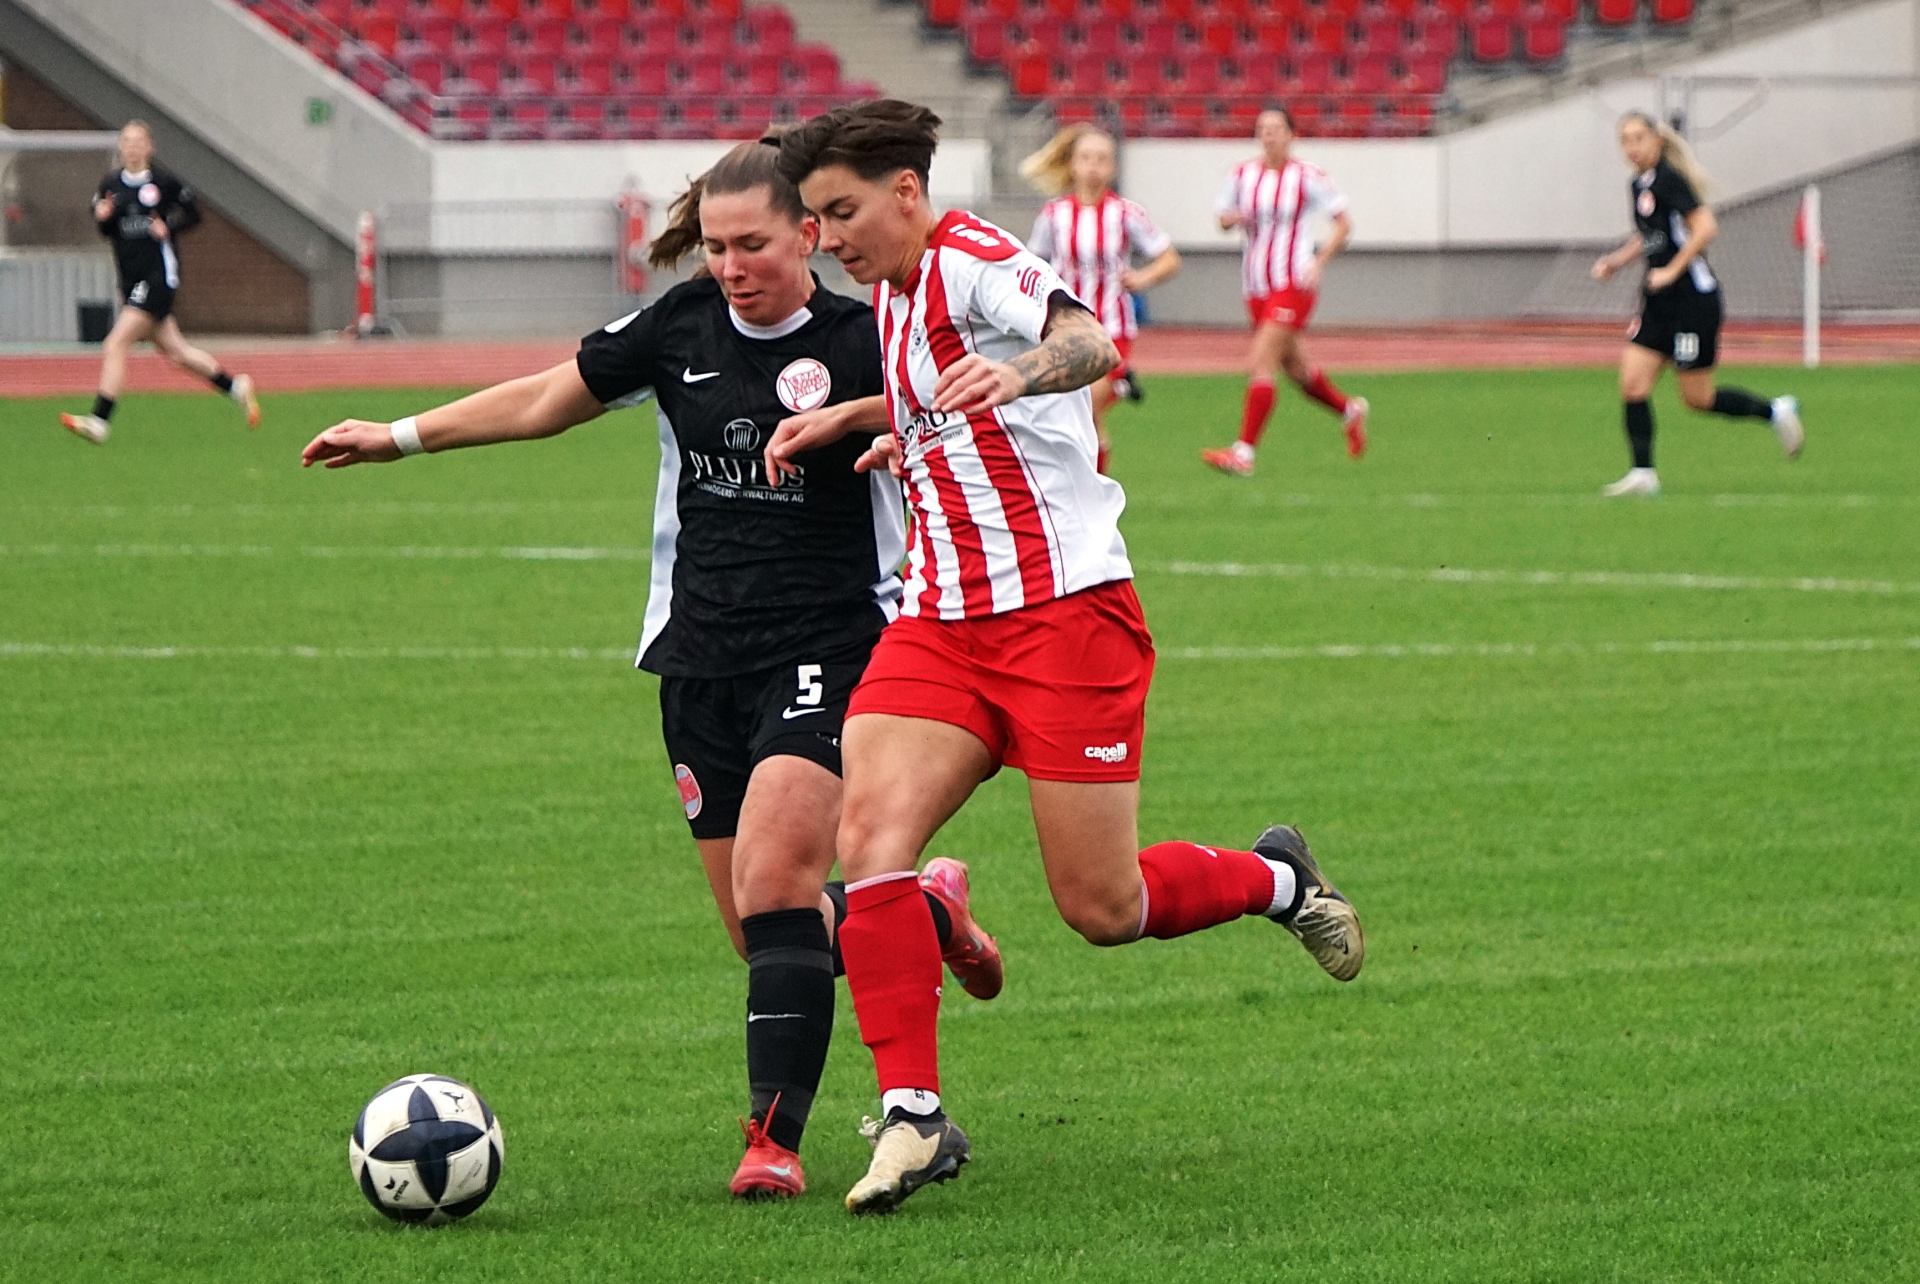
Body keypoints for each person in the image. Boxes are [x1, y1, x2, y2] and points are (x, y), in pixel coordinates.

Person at [298, 140, 1002, 1202]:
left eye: (752, 243)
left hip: (834, 646)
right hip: (699, 657)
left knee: (776, 881)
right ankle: (924, 911)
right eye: (715, 246)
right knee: (767, 931)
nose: (730, 265)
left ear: (809, 234)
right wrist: (398, 436)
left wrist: (903, 438)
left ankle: (772, 1143)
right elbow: (547, 399)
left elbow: (975, 424)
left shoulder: (868, 339)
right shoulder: (681, 326)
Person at [766, 101, 1366, 1216]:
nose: (826, 239)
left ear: (906, 191)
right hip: (941, 619)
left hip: (1063, 617)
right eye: (815, 218)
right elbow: (940, 390)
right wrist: (862, 421)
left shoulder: (971, 256)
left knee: (1101, 906)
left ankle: (1280, 877)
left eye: (840, 213)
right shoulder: (891, 288)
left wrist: (1026, 374)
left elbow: (1088, 341)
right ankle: (912, 1116)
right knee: (872, 839)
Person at [1590, 113, 1804, 497]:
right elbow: (1650, 235)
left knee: (1698, 399)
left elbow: (1706, 227)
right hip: (1658, 303)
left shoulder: (1670, 179)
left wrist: (1672, 271)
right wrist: (1616, 262)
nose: (1631, 146)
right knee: (1633, 385)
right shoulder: (1638, 184)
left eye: (1638, 138)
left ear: (1657, 140)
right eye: (1625, 140)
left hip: (1692, 301)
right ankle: (1643, 473)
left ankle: (1775, 411)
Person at [60, 120, 259, 445]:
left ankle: (100, 420)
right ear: (121, 147)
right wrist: (103, 216)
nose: (132, 147)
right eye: (127, 141)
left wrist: (168, 227)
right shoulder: (111, 184)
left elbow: (193, 215)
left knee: (115, 344)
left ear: (149, 147)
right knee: (177, 353)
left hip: (158, 277)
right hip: (130, 278)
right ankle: (236, 386)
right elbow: (106, 228)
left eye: (138, 141)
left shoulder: (163, 183)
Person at [1200, 107, 1367, 477]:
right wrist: (1231, 219)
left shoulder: (1307, 176)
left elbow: (1343, 223)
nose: (1268, 135)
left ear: (1292, 135)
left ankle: (1244, 452)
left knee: (1261, 361)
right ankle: (1349, 411)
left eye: (1276, 128)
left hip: (1292, 282)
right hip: (1255, 286)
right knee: (1295, 368)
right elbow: (1222, 218)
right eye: (1262, 128)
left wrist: (1318, 262)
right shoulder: (1241, 175)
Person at [1020, 125, 1182, 474]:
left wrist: (1141, 278)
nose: (1093, 166)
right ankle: (1090, 492)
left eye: (1102, 159)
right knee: (1082, 419)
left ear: (1113, 168)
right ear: (1073, 165)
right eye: (1086, 158)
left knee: (1084, 407)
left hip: (1112, 327)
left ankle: (1085, 488)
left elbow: (1169, 258)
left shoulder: (1126, 214)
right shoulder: (1053, 215)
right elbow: (1032, 265)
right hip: (1065, 330)